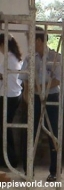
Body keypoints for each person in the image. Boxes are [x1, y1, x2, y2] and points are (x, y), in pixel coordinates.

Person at [20, 26, 62, 181]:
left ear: (38, 40)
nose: (28, 44)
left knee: (53, 134)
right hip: (34, 99)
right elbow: (24, 80)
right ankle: (27, 170)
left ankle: (54, 171)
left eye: (30, 40)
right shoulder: (30, 58)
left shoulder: (56, 57)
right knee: (29, 132)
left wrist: (40, 86)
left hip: (51, 98)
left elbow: (57, 80)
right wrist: (27, 95)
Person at [0, 33, 22, 168]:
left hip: (8, 96)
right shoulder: (15, 58)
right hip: (14, 94)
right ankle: (9, 159)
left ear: (3, 45)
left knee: (4, 128)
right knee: (5, 127)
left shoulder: (8, 59)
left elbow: (3, 77)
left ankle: (9, 159)